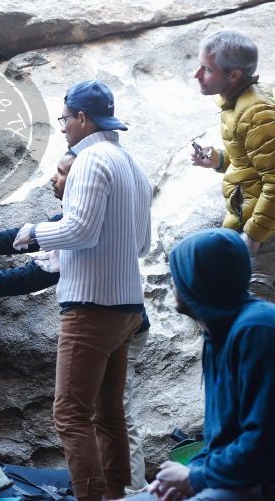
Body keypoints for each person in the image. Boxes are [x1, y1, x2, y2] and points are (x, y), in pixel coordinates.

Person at [0, 151, 151, 493]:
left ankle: (131, 493)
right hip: (123, 321)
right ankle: (123, 490)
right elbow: (28, 238)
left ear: (82, 184)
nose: (52, 179)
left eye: (60, 174)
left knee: (107, 413)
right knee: (108, 414)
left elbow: (31, 276)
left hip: (113, 326)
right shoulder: (79, 220)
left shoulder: (84, 229)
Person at [10, 80, 153, 501]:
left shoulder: (90, 161)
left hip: (92, 307)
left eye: (65, 119)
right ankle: (117, 494)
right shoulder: (132, 164)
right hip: (128, 306)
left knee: (70, 414)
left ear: (82, 118)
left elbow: (79, 230)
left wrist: (33, 232)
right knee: (110, 415)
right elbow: (141, 244)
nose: (64, 128)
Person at [128, 229, 275, 501]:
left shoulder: (258, 329)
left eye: (179, 274)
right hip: (233, 476)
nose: (174, 283)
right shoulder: (219, 331)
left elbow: (265, 443)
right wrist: (191, 471)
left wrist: (195, 477)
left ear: (200, 279)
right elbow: (224, 437)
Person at [190, 30, 275, 301]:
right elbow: (254, 165)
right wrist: (220, 161)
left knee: (254, 309)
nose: (197, 74)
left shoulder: (257, 113)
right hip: (247, 220)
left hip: (266, 236)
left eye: (207, 69)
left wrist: (253, 237)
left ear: (234, 75)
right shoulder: (238, 102)